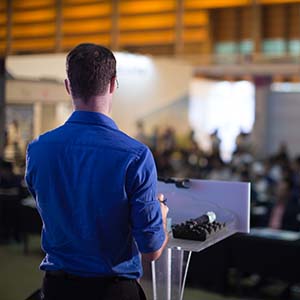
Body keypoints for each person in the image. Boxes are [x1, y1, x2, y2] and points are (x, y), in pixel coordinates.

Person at [25, 43, 169, 300]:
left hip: (57, 290)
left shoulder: (38, 150)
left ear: (68, 86)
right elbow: (152, 251)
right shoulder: (136, 156)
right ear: (114, 84)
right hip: (112, 292)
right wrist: (161, 216)